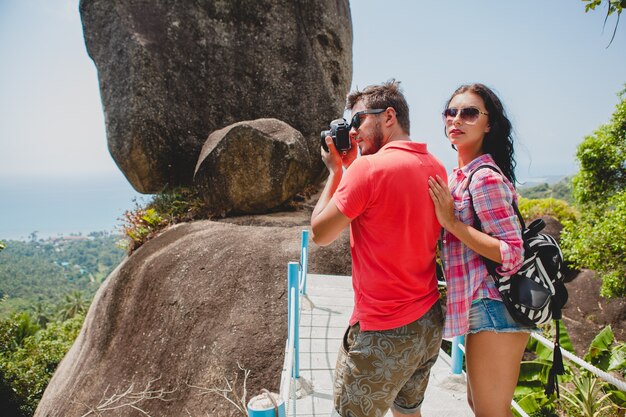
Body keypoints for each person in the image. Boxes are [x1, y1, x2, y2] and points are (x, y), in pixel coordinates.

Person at [311, 80, 447, 417]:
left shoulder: (366, 169)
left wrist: (337, 171)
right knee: (408, 411)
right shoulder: (436, 166)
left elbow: (320, 232)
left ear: (389, 116)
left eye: (357, 121)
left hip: (382, 330)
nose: (352, 132)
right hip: (427, 323)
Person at [428, 83, 535, 417]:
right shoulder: (460, 176)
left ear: (488, 124)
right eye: (451, 111)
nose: (457, 119)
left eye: (470, 112)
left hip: (495, 306)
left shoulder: (483, 178)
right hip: (483, 307)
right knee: (481, 407)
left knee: (490, 411)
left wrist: (452, 223)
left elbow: (512, 252)